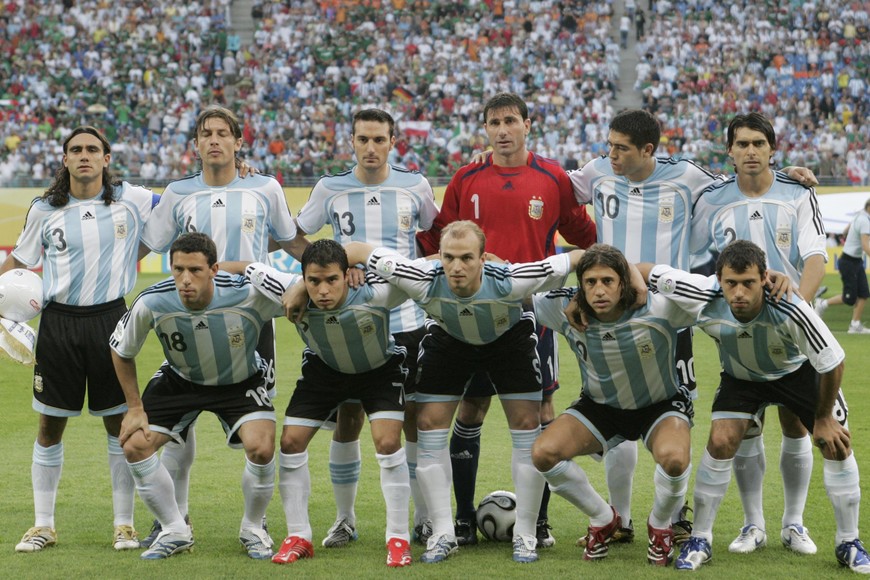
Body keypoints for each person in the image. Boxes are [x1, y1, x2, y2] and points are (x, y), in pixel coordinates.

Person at [568, 109, 817, 546]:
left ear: (647, 148)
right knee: (615, 410)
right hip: (608, 307)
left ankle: (677, 517)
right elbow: (553, 187)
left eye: (620, 147)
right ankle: (621, 518)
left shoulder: (687, 176)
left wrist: (787, 173)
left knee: (678, 412)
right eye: (609, 146)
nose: (612, 154)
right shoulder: (596, 171)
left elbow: (738, 179)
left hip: (669, 312)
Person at [350, 220, 589, 564]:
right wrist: (318, 280)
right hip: (450, 341)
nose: (456, 267)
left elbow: (579, 257)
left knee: (526, 426)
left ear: (483, 258)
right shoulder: (420, 277)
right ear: (439, 257)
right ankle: (443, 534)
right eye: (448, 257)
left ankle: (525, 534)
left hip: (508, 339)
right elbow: (357, 249)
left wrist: (629, 279)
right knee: (429, 426)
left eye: (466, 258)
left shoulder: (511, 279)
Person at [417, 92, 596, 548]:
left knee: (540, 413)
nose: (502, 130)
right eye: (494, 122)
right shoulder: (467, 178)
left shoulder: (552, 178)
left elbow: (585, 235)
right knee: (470, 409)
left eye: (510, 121)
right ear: (485, 129)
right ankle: (461, 520)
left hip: (532, 316)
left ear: (527, 125)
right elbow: (437, 240)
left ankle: (538, 523)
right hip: (472, 316)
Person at [639, 240, 869, 574]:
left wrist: (823, 418)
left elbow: (833, 362)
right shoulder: (701, 292)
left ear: (764, 278)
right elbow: (644, 271)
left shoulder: (790, 306)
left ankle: (848, 541)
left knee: (836, 443)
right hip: (742, 377)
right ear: (718, 280)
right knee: (720, 441)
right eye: (731, 283)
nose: (739, 292)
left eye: (748, 282)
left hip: (797, 373)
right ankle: (701, 538)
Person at [138, 105, 309, 547]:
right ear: (195, 144)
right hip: (190, 317)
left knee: (258, 434)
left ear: (237, 141)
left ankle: (256, 522)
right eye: (206, 133)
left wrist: (329, 267)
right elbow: (149, 244)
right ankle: (175, 518)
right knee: (179, 425)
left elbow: (290, 239)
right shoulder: (178, 192)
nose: (214, 139)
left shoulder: (265, 188)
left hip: (251, 321)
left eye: (222, 133)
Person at [2, 126, 152, 553]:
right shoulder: (44, 208)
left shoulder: (132, 199)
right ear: (64, 159)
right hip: (58, 324)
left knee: (118, 425)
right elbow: (19, 261)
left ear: (106, 158)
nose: (84, 155)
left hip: (111, 321)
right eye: (75, 149)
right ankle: (43, 525)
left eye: (92, 149)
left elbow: (177, 201)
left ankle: (124, 525)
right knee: (49, 425)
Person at [293, 108, 438, 548]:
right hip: (349, 320)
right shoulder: (330, 188)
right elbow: (295, 237)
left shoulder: (416, 185)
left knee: (412, 419)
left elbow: (433, 235)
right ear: (351, 142)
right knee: (349, 418)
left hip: (407, 320)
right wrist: (328, 270)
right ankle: (345, 520)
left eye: (379, 139)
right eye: (362, 139)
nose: (370, 148)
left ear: (393, 141)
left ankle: (424, 519)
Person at [690, 112, 828, 555]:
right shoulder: (711, 199)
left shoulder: (798, 192)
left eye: (759, 143)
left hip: (791, 332)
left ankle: (794, 523)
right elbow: (692, 257)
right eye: (742, 143)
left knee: (795, 423)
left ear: (772, 149)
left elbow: (815, 256)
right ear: (729, 151)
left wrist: (798, 311)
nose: (750, 151)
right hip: (738, 328)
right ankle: (753, 525)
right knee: (746, 425)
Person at [237, 239, 414, 567]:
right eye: (313, 281)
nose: (322, 290)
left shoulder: (376, 293)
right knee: (290, 442)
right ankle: (299, 536)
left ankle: (398, 538)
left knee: (388, 442)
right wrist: (296, 287)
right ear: (302, 278)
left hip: (378, 369)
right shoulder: (288, 288)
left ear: (347, 275)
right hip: (325, 371)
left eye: (332, 279)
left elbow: (418, 273)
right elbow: (244, 267)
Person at [110, 232, 279, 560]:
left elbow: (298, 295)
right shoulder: (153, 301)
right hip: (181, 379)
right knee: (134, 444)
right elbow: (120, 350)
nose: (185, 279)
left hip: (239, 381)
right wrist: (134, 407)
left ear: (214, 269)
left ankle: (253, 527)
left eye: (195, 270)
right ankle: (174, 529)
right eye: (178, 270)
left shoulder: (246, 294)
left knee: (261, 447)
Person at [530, 244, 695, 566]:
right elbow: (515, 288)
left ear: (623, 282)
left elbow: (710, 298)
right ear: (580, 286)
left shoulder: (660, 307)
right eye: (590, 282)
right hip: (600, 407)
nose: (599, 290)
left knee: (675, 460)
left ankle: (660, 525)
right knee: (543, 454)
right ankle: (604, 518)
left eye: (607, 281)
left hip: (660, 406)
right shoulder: (562, 307)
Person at [815, 198, 870, 334]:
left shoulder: (859, 216)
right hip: (849, 262)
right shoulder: (865, 221)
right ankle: (822, 303)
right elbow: (865, 245)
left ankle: (855, 324)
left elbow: (845, 231)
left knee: (864, 293)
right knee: (849, 298)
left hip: (854, 261)